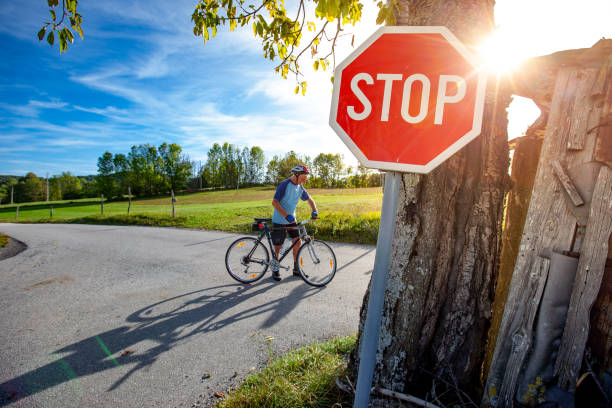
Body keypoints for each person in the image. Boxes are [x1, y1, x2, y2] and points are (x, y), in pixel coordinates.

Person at [270, 164, 318, 281]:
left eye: (305, 180)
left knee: (297, 242)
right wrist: (286, 215)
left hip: (292, 220)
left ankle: (296, 269)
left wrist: (315, 211)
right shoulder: (284, 185)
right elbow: (275, 202)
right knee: (278, 246)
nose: (303, 182)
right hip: (279, 219)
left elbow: (310, 200)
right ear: (296, 175)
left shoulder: (300, 188)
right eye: (302, 179)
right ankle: (275, 269)